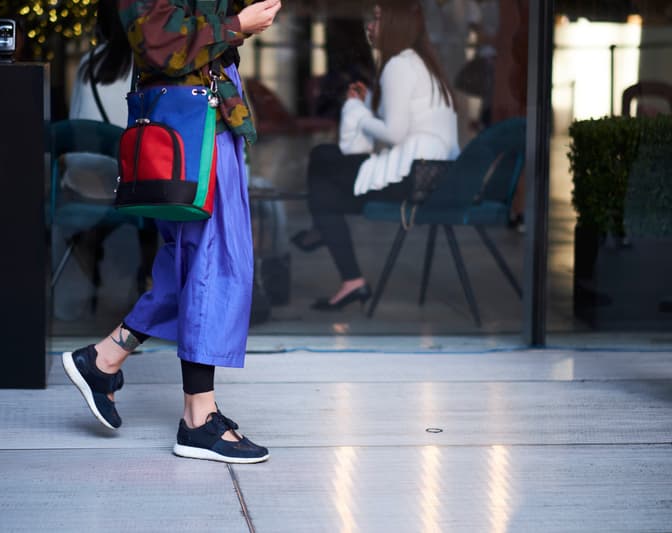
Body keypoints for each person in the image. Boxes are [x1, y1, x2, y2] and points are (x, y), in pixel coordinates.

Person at [63, 0, 282, 464]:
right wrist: (237, 25)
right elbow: (157, 37)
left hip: (202, 111)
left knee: (187, 261)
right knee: (212, 260)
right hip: (194, 117)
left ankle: (104, 360)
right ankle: (198, 419)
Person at [290, 0, 460, 311]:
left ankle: (339, 255)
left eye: (378, 19)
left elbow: (394, 134)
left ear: (396, 25)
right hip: (434, 173)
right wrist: (368, 104)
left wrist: (355, 110)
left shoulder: (399, 66)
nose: (370, 26)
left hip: (416, 174)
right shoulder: (419, 62)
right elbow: (401, 124)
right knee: (325, 178)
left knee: (322, 161)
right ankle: (329, 239)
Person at [65, 0, 158, 304]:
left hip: (86, 180)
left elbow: (75, 122)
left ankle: (90, 241)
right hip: (131, 185)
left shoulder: (88, 63)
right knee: (154, 190)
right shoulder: (152, 65)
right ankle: (149, 273)